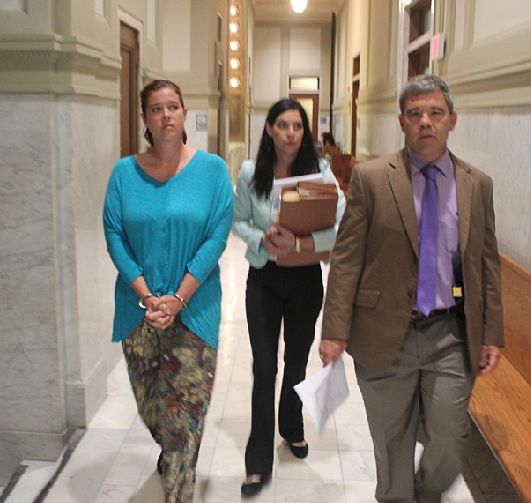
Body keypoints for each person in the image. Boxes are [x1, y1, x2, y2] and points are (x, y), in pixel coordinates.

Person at [319, 75, 504, 503]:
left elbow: (487, 264)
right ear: (402, 121)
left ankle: (425, 494)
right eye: (416, 114)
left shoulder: (478, 184)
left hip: (451, 334)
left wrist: (492, 330)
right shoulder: (371, 178)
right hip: (384, 333)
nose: (426, 122)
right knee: (391, 441)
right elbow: (347, 258)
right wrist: (333, 328)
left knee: (450, 438)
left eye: (435, 113)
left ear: (452, 120)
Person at [103, 79, 234, 503]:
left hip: (195, 309)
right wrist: (146, 295)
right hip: (138, 309)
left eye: (173, 106)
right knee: (152, 407)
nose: (166, 115)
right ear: (145, 118)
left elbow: (216, 234)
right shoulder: (124, 173)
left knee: (185, 416)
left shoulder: (212, 169)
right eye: (156, 108)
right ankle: (172, 454)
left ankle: (179, 487)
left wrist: (179, 297)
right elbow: (114, 234)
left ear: (184, 113)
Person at [232, 99, 346, 497]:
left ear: (305, 131)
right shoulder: (250, 173)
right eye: (282, 125)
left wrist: (302, 241)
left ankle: (291, 426)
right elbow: (239, 221)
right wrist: (261, 238)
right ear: (268, 129)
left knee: (295, 360)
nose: (290, 133)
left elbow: (341, 223)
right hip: (263, 277)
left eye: (297, 126)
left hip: (305, 280)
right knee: (264, 367)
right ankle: (257, 460)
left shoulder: (320, 172)